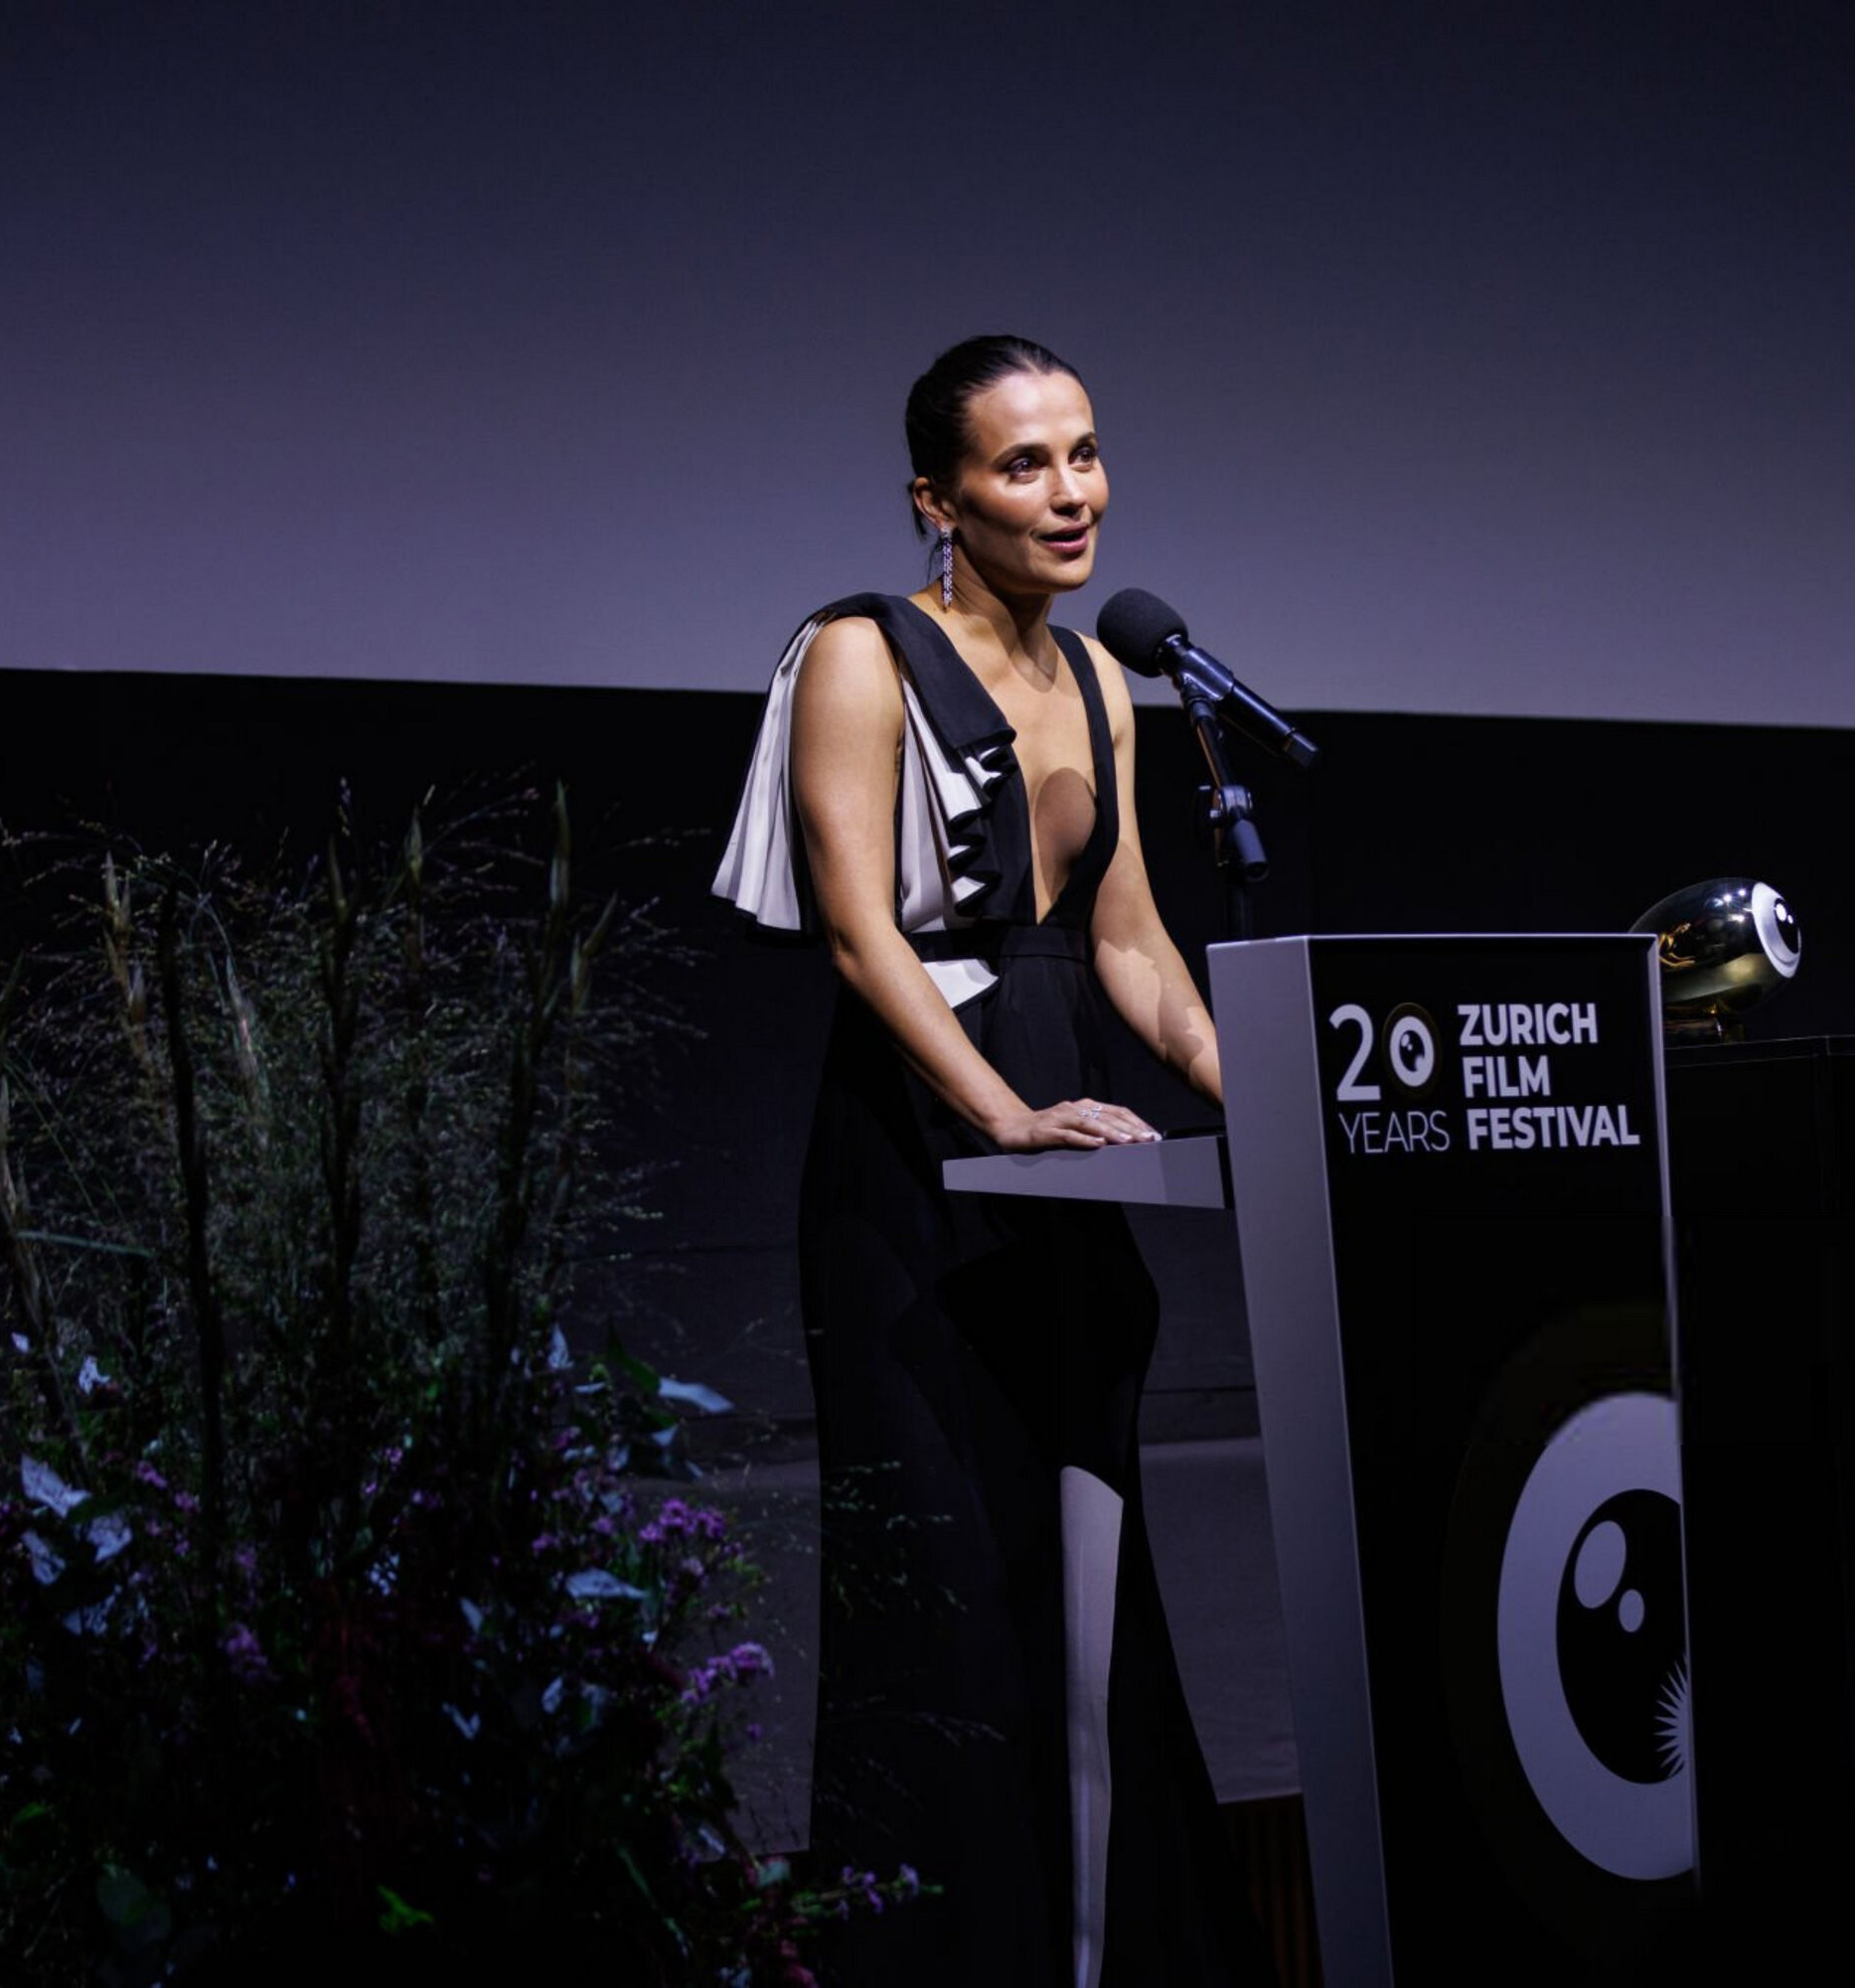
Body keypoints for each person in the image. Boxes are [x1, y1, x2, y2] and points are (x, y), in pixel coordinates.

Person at [711, 336, 1273, 1985]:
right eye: (1025, 463)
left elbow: (1130, 943)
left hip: (1071, 1178)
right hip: (913, 1174)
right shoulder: (859, 652)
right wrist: (1001, 1114)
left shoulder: (1104, 680)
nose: (1071, 490)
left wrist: (1253, 1082)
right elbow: (859, 934)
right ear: (936, 500)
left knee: (1089, 1596)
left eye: (1084, 452)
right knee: (946, 1597)